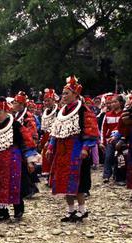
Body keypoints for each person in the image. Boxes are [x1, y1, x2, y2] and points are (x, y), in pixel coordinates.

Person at [46, 76, 99, 222]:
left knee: (79, 182)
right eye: (63, 93)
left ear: (75, 94)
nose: (63, 96)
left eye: (66, 93)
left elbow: (91, 130)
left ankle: (82, 210)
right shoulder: (61, 111)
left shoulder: (83, 109)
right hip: (62, 151)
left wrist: (85, 148)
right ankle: (70, 210)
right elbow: (55, 132)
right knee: (63, 181)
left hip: (77, 150)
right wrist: (51, 147)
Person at [0, 97, 38, 221]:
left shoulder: (15, 124)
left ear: (6, 111)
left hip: (13, 159)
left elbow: (25, 141)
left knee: (15, 184)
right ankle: (1, 213)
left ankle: (18, 210)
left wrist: (29, 159)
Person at [101, 94, 125, 183]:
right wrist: (102, 142)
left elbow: (125, 128)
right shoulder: (107, 115)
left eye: (115, 102)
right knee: (108, 156)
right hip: (110, 140)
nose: (113, 104)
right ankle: (106, 175)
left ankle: (118, 177)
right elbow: (103, 129)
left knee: (119, 158)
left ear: (120, 103)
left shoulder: (124, 114)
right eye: (111, 102)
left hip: (122, 140)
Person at [40, 89, 59, 177]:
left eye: (48, 101)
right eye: (45, 101)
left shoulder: (58, 111)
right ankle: (49, 176)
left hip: (54, 135)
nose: (46, 103)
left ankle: (54, 176)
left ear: (53, 100)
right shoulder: (45, 112)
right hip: (46, 135)